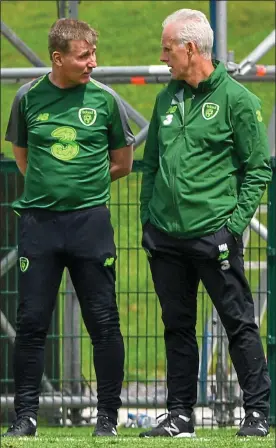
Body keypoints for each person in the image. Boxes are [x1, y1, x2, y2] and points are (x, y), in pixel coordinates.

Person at [139, 8, 271, 438]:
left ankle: (257, 413)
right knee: (176, 327)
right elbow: (152, 165)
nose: (163, 57)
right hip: (165, 237)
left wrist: (232, 227)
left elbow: (258, 170)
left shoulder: (238, 101)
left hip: (215, 235)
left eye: (166, 48)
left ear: (190, 48)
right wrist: (147, 220)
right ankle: (179, 415)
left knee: (238, 323)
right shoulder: (165, 99)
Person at [1, 18, 134, 438]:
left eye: (94, 54)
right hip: (39, 226)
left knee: (104, 321)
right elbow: (23, 157)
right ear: (57, 58)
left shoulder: (106, 101)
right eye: (84, 55)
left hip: (90, 225)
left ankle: (107, 419)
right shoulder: (26, 99)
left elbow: (123, 162)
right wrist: (50, 190)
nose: (93, 62)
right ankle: (25, 418)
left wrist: (82, 187)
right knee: (32, 321)